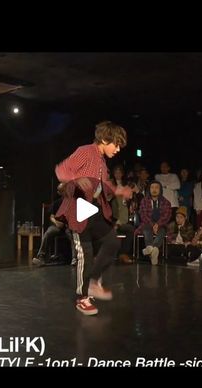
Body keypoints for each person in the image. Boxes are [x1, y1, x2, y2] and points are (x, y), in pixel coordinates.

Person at [55, 121, 133, 315]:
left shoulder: (102, 161)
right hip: (79, 208)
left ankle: (93, 282)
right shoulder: (85, 151)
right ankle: (82, 298)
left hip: (93, 208)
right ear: (105, 139)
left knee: (112, 242)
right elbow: (62, 170)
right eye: (115, 144)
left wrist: (118, 190)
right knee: (85, 253)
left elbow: (103, 186)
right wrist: (74, 180)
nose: (117, 149)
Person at [32, 183, 77, 267]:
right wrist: (56, 222)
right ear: (59, 193)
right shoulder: (57, 203)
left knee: (73, 235)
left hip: (69, 227)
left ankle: (74, 258)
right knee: (48, 233)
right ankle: (41, 257)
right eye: (62, 191)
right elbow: (51, 216)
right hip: (58, 226)